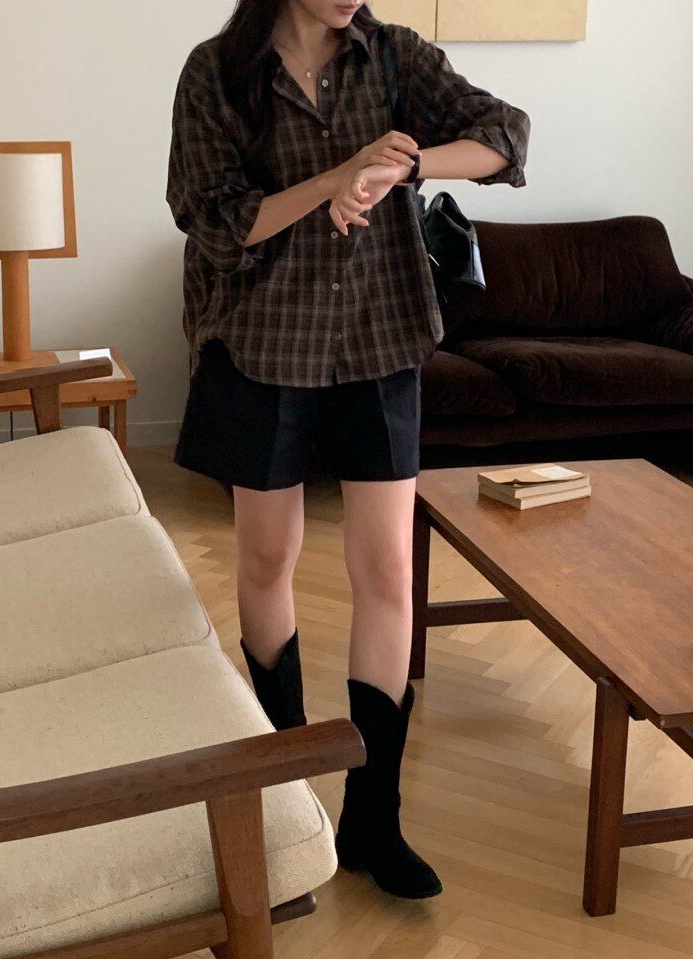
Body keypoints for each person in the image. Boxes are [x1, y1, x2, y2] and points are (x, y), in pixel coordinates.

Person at [167, 0, 530, 900]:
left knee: (387, 572)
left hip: (380, 339)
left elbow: (505, 136)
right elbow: (215, 220)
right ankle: (289, 802)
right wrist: (334, 177)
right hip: (263, 345)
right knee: (266, 559)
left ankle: (374, 817)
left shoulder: (395, 56)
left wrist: (402, 164)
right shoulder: (218, 72)